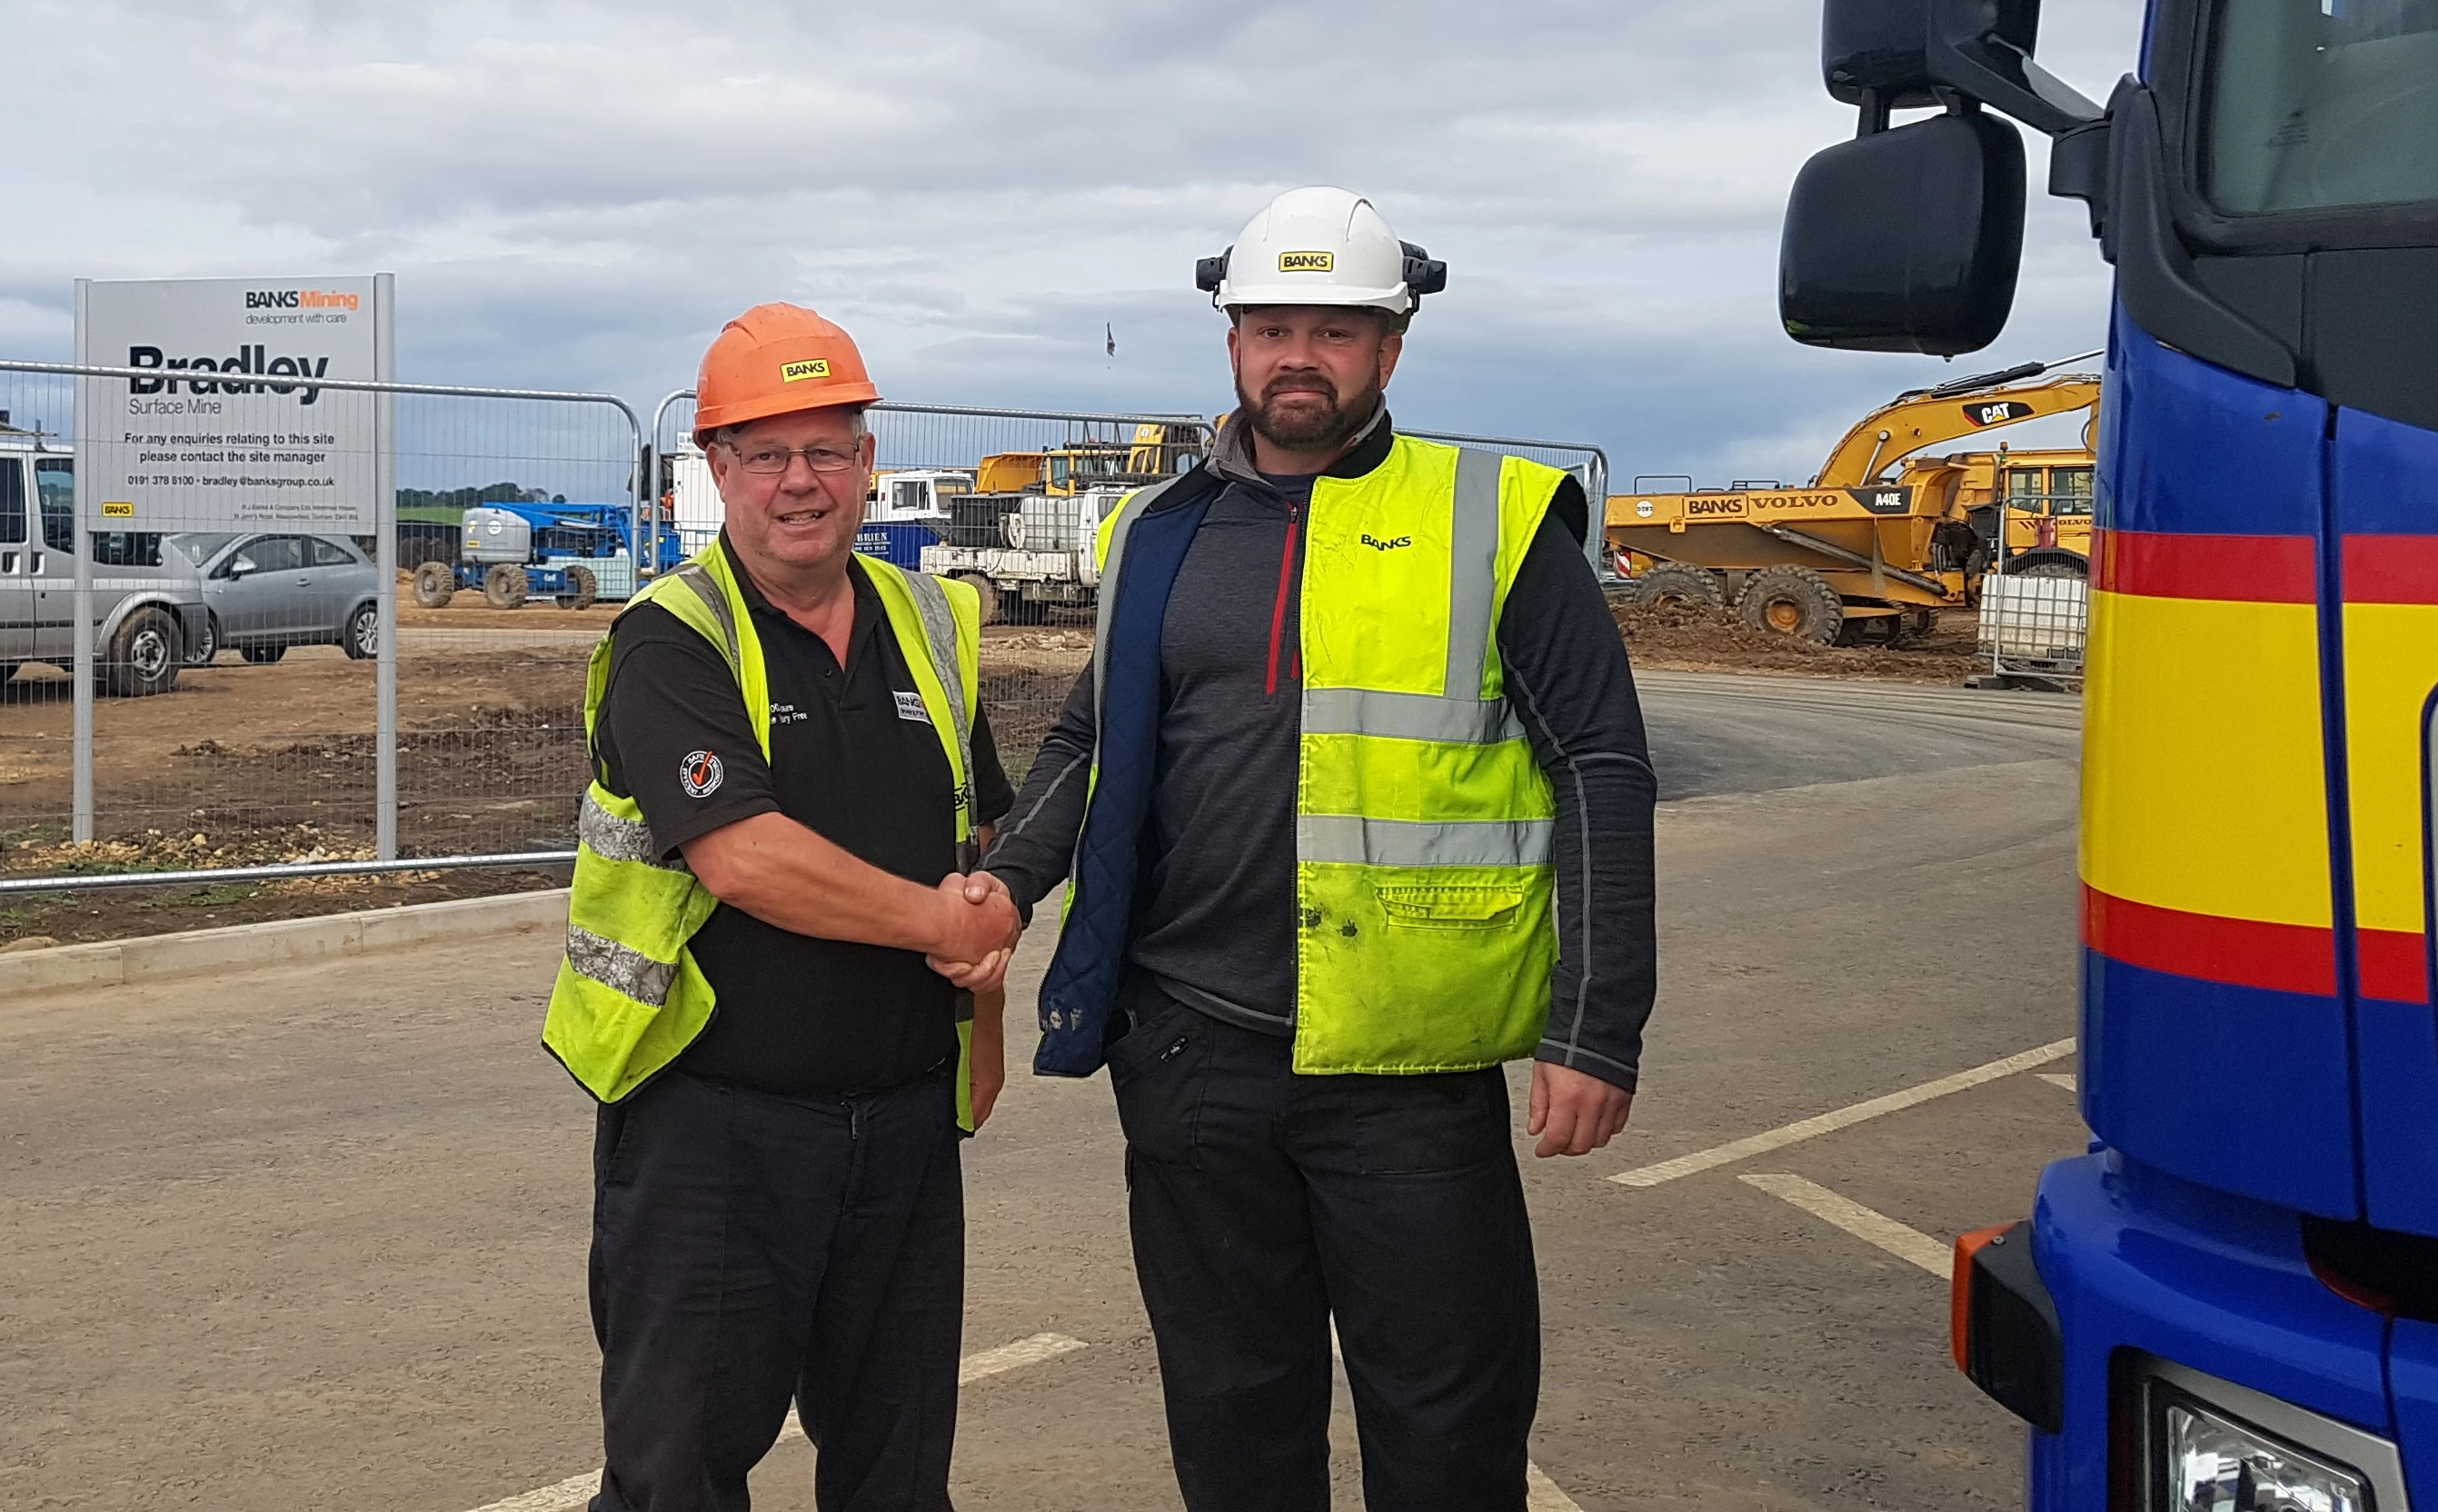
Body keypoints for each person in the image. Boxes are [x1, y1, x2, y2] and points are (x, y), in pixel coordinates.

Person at [978, 186, 1660, 1512]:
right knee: (1234, 1424)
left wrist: (1596, 1025)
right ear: (1231, 341)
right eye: (1270, 325)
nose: (1300, 355)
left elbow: (1600, 767)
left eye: (1335, 330)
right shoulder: (1154, 532)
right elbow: (1087, 744)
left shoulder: (1498, 519)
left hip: (1404, 1069)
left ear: (1390, 349)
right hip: (1186, 1052)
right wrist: (1002, 890)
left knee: (1447, 1434)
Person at [542, 302, 1022, 1512]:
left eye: (825, 450)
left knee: (898, 1476)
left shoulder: (929, 624)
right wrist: (941, 928)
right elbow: (744, 857)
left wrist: (985, 1021)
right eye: (765, 454)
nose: (798, 482)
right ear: (715, 473)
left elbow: (973, 846)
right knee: (677, 1478)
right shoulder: (674, 641)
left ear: (867, 461)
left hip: (903, 1128)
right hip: (714, 1134)